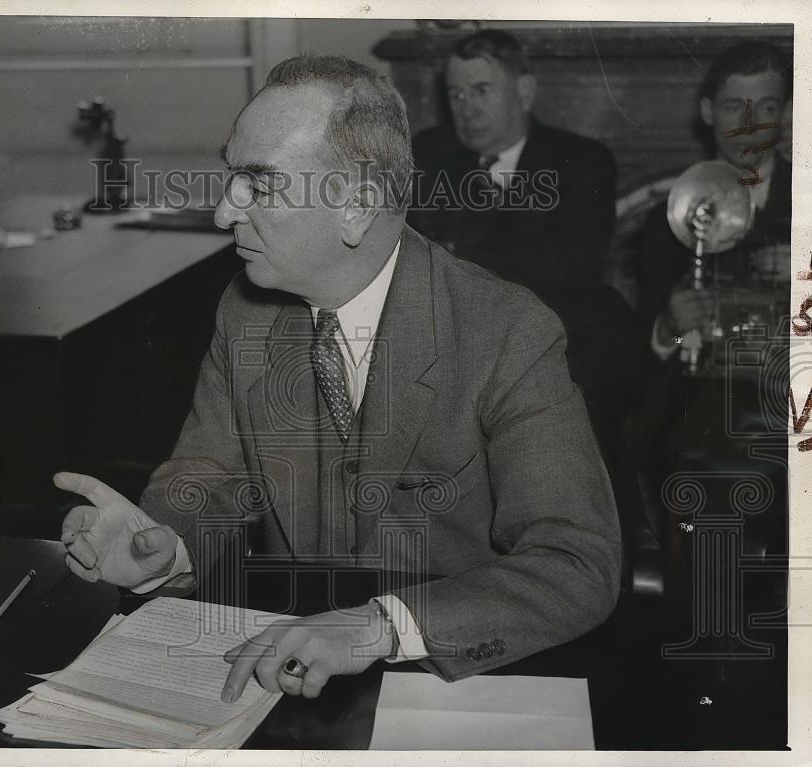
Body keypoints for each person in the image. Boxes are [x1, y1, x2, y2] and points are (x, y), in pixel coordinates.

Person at [55, 55, 621, 704]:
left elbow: (579, 564)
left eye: (258, 185)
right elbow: (207, 476)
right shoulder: (245, 311)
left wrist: (378, 626)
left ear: (357, 206)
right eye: (230, 176)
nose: (222, 213)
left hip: (451, 682)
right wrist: (163, 546)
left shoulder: (506, 330)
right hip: (291, 669)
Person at [408, 31, 644, 548]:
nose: (465, 108)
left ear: (526, 92)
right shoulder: (429, 154)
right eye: (456, 94)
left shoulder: (581, 159)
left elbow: (573, 266)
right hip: (455, 329)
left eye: (482, 91)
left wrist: (454, 255)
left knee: (584, 397)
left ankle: (579, 545)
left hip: (561, 331)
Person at [635, 40, 793, 583]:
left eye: (767, 108)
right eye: (734, 107)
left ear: (789, 113)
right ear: (707, 113)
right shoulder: (671, 216)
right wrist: (672, 328)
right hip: (710, 411)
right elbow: (664, 351)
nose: (750, 124)